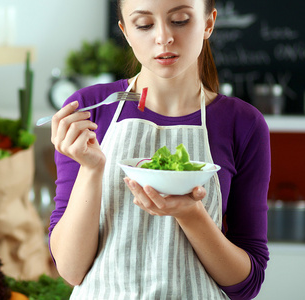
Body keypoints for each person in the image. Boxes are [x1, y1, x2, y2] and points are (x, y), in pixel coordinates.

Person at [48, 0, 270, 299]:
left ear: (208, 23)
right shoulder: (89, 111)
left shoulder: (243, 123)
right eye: (144, 24)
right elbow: (71, 270)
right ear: (126, 32)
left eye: (179, 20)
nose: (163, 36)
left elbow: (247, 284)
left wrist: (191, 213)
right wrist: (91, 168)